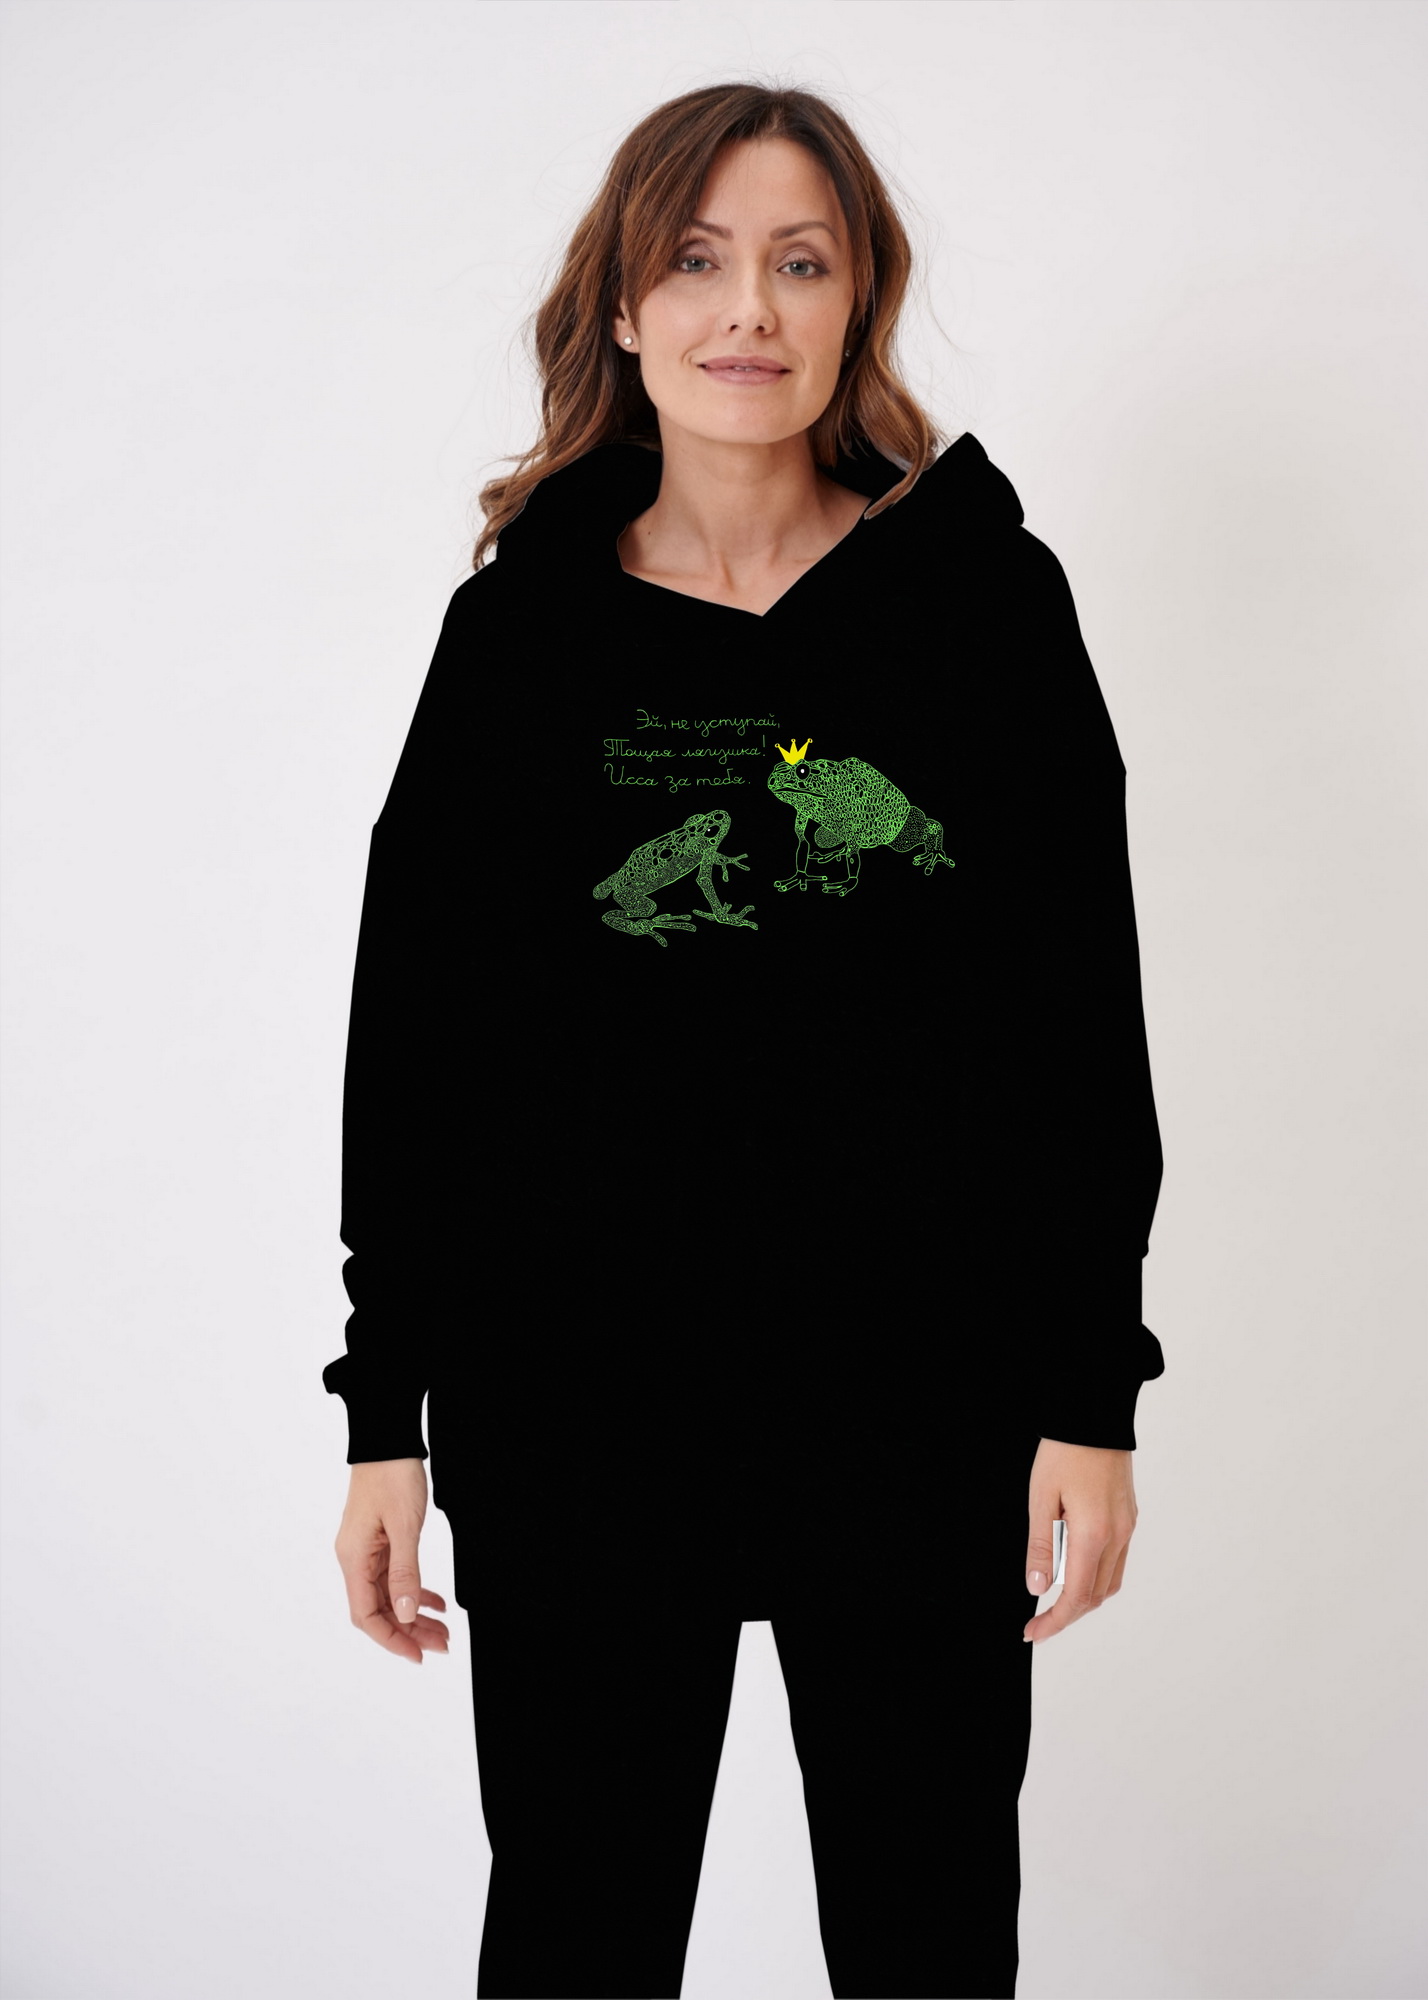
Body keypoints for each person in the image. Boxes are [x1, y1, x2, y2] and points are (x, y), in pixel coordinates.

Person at [323, 81, 1165, 2000]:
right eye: (697, 261)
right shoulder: (520, 640)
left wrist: (1091, 1387)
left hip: (921, 1394)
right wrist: (386, 1412)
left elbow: (1074, 1018)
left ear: (860, 299)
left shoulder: (986, 606)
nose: (749, 312)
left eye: (801, 262)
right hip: (579, 1405)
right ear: (624, 306)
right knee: (578, 1933)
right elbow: (423, 1045)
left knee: (930, 1933)